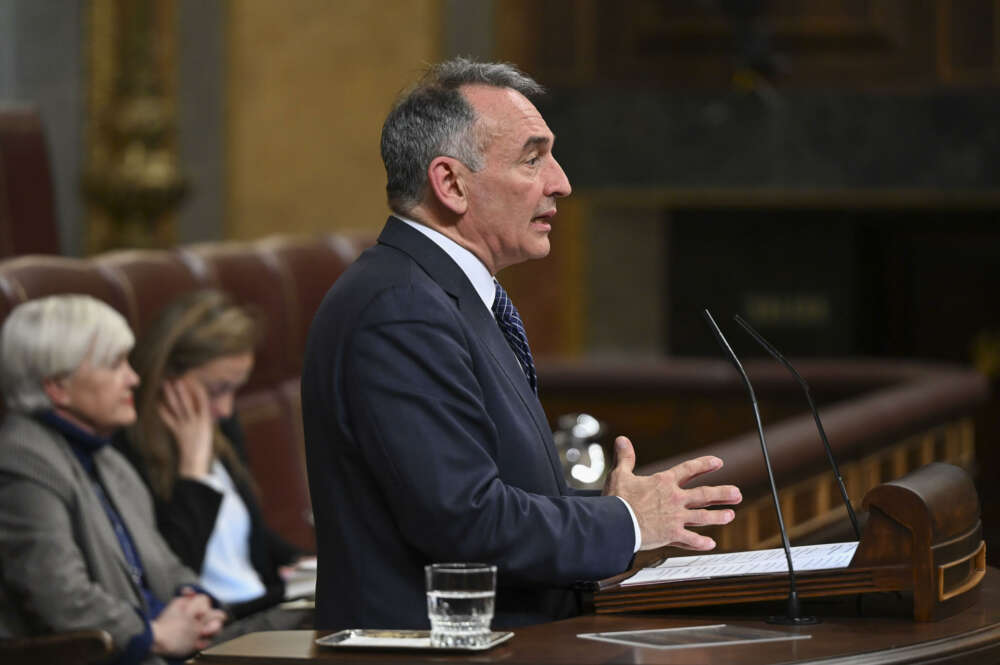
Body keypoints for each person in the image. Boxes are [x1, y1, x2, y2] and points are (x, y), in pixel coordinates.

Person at [301, 58, 743, 630]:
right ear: (451, 183)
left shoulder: (441, 293)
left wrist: (611, 515)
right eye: (533, 159)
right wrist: (627, 523)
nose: (561, 182)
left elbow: (486, 496)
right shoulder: (401, 309)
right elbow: (464, 523)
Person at [0, 294, 227, 664]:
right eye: (116, 364)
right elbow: (58, 594)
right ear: (58, 386)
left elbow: (163, 563)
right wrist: (155, 635)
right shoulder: (21, 460)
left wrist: (194, 600)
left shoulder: (106, 456)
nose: (134, 379)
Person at [115, 290, 311, 628]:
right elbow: (171, 573)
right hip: (221, 625)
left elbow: (245, 535)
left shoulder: (221, 428)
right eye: (216, 390)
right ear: (166, 378)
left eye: (235, 390)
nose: (226, 409)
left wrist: (302, 563)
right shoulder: (126, 451)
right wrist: (192, 472)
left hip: (267, 605)